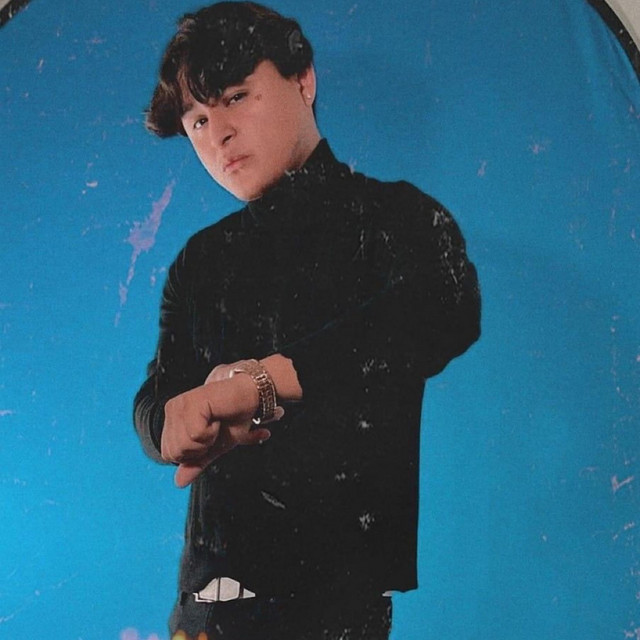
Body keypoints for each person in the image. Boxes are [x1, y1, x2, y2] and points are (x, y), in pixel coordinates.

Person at [134, 2, 481, 639]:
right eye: (199, 119)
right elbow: (157, 396)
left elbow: (445, 309)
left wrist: (264, 383)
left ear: (303, 80)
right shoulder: (200, 260)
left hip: (331, 611)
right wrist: (166, 427)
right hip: (203, 610)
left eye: (237, 97)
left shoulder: (396, 217)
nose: (219, 134)